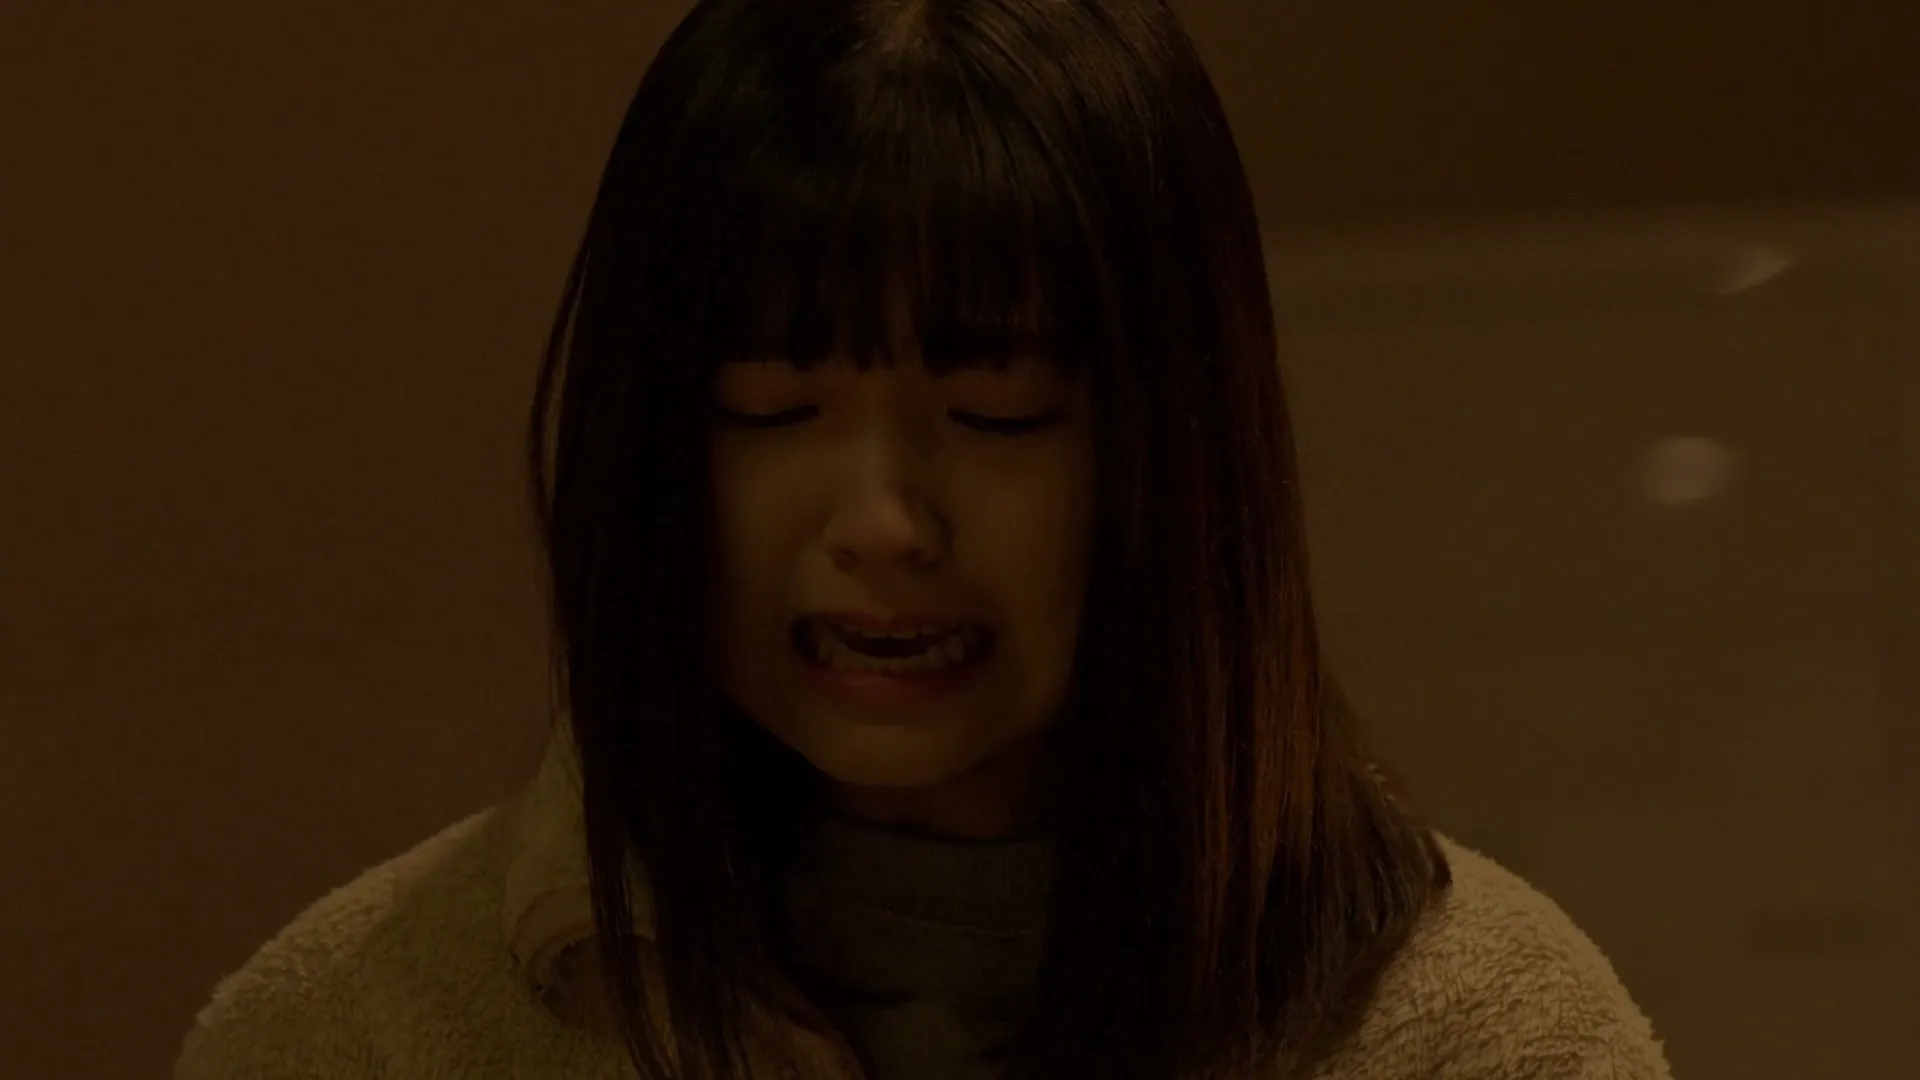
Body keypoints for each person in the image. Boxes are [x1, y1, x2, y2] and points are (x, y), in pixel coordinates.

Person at [173, 2, 1673, 1078]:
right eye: (772, 408)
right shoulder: (361, 1029)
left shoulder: (1482, 1036)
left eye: (996, 412)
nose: (885, 524)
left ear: (1177, 454)